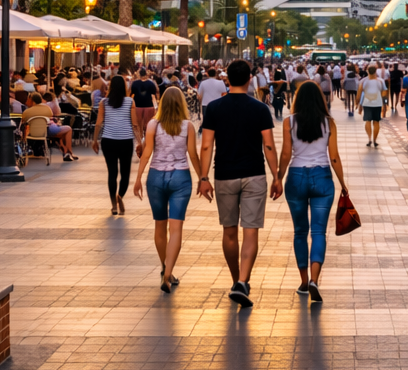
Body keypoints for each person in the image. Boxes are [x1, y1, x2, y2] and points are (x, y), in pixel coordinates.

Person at [198, 59, 280, 307]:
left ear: (227, 80)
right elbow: (268, 145)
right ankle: (243, 281)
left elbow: (206, 145)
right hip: (254, 174)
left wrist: (203, 178)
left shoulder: (213, 108)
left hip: (224, 174)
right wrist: (277, 176)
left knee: (229, 231)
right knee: (251, 230)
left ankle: (236, 280)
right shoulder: (260, 109)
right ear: (248, 80)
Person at [277, 81, 348, 304]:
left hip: (296, 177)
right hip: (322, 178)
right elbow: (334, 156)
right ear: (320, 99)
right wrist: (343, 183)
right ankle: (316, 279)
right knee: (318, 232)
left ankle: (304, 281)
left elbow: (286, 153)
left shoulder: (289, 122)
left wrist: (278, 178)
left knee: (300, 232)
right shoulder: (329, 123)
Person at [133, 86, 204, 293]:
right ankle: (168, 272)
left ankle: (165, 267)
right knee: (176, 229)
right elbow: (193, 154)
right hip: (180, 177)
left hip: (155, 176)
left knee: (159, 226)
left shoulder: (153, 124)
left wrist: (138, 178)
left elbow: (147, 153)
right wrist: (202, 177)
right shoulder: (188, 126)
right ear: (181, 103)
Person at [92, 75, 139, 215]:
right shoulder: (130, 101)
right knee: (125, 173)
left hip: (108, 140)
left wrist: (95, 140)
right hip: (125, 140)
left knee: (112, 172)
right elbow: (135, 124)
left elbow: (99, 123)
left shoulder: (104, 102)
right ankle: (120, 196)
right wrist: (140, 142)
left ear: (111, 86)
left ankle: (113, 205)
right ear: (124, 87)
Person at [21, 91, 76, 160]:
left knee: (61, 135)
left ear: (32, 100)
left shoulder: (27, 112)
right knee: (68, 129)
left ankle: (66, 152)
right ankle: (68, 152)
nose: (26, 101)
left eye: (28, 100)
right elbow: (50, 117)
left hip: (32, 133)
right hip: (48, 131)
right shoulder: (47, 108)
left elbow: (23, 122)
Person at [130, 67, 159, 151]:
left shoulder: (134, 83)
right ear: (146, 74)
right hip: (149, 105)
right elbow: (155, 93)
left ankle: (140, 141)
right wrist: (156, 105)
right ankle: (147, 141)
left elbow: (131, 94)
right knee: (148, 125)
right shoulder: (151, 83)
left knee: (138, 125)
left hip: (137, 105)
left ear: (139, 74)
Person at [358, 64, 387, 147]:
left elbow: (360, 94)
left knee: (368, 121)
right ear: (376, 71)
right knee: (376, 121)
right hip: (377, 103)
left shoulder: (363, 81)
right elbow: (384, 93)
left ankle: (369, 138)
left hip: (367, 104)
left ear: (367, 71)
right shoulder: (381, 81)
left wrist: (359, 104)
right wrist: (384, 104)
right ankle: (375, 140)